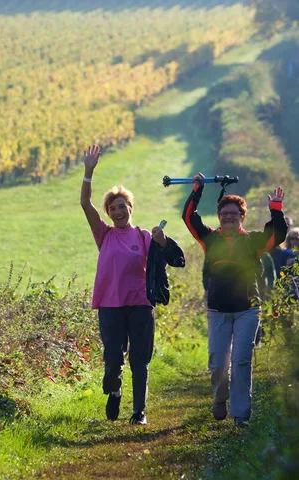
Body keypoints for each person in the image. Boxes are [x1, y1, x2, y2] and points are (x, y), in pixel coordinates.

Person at [80, 144, 184, 425]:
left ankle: (139, 412)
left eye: (121, 206)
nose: (117, 212)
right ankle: (114, 391)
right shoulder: (104, 235)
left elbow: (172, 257)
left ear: (130, 208)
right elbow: (85, 204)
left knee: (140, 360)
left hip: (140, 304)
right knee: (113, 359)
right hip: (110, 306)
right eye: (112, 208)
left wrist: (162, 240)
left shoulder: (143, 236)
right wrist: (88, 172)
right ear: (109, 213)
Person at [182, 173, 287, 427]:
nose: (229, 217)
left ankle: (241, 415)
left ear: (242, 217)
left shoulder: (252, 241)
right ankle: (220, 398)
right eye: (225, 213)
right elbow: (189, 218)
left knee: (241, 361)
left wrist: (275, 209)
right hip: (217, 310)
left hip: (247, 311)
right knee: (218, 364)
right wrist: (197, 190)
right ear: (219, 217)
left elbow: (278, 235)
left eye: (234, 213)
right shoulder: (210, 239)